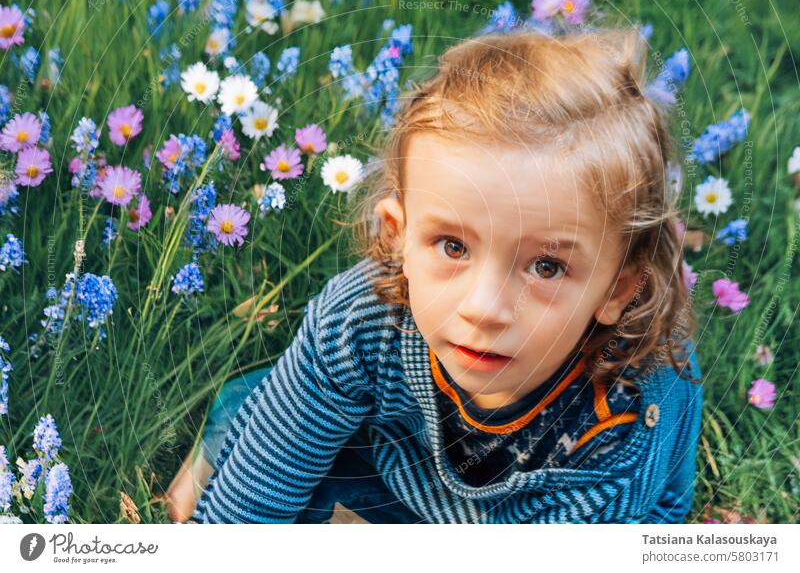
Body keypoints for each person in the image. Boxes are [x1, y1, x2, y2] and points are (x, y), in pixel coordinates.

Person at [166, 26, 704, 524]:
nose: (484, 308)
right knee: (264, 428)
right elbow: (252, 503)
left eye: (546, 266)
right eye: (452, 246)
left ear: (616, 289)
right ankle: (235, 429)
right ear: (399, 236)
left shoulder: (622, 422)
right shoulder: (363, 317)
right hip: (409, 462)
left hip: (561, 510)